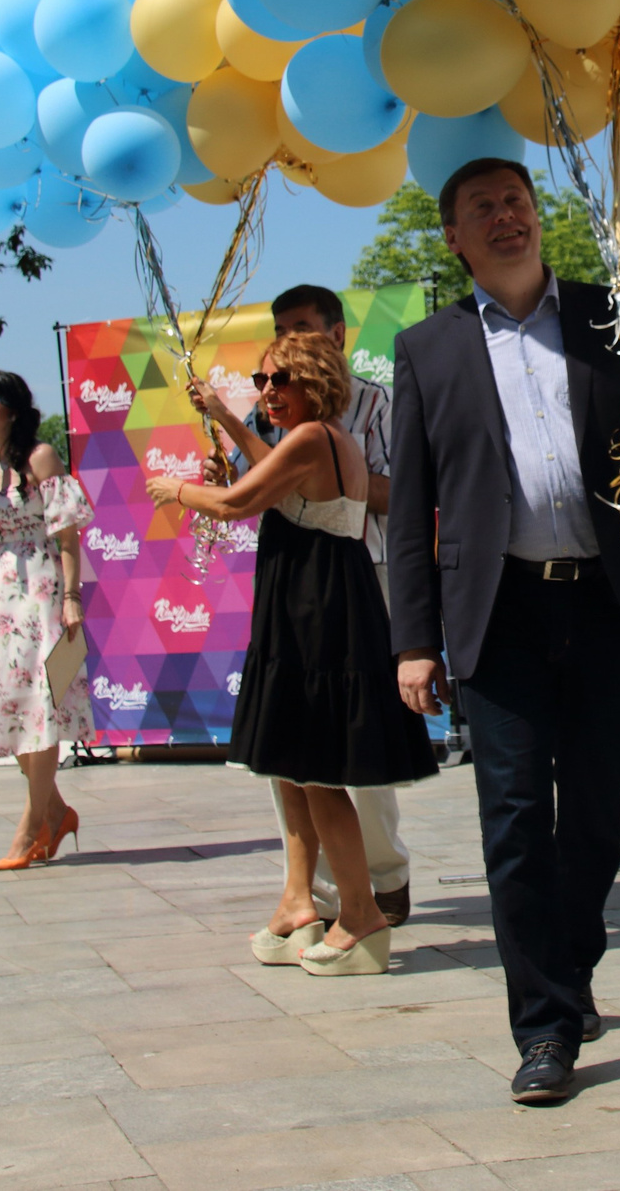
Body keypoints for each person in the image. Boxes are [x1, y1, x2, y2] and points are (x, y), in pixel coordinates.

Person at [387, 156, 620, 1104]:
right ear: (455, 236)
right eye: (482, 208)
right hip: (501, 611)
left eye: (516, 202)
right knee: (517, 818)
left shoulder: (611, 312)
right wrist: (413, 640)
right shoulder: (426, 349)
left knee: (598, 809)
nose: (505, 217)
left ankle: (569, 963)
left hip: (605, 600)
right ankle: (545, 1028)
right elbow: (411, 510)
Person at [152, 330, 436, 976]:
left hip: (317, 610)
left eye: (279, 379)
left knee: (316, 767)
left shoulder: (317, 438)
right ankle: (297, 903)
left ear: (314, 379)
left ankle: (360, 915)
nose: (267, 392)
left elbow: (239, 498)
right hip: (309, 602)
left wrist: (176, 490)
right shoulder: (318, 439)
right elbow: (271, 475)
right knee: (291, 758)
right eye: (260, 381)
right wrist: (226, 417)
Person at [188, 283, 413, 929]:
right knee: (291, 744)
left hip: (361, 572)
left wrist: (317, 475)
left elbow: (399, 492)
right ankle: (310, 894)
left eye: (302, 331)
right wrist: (232, 461)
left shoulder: (378, 404)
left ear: (337, 335)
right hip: (291, 581)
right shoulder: (271, 410)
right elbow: (245, 489)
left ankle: (383, 875)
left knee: (351, 740)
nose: (275, 369)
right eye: (277, 338)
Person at [0, 370, 91, 870]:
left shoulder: (40, 457)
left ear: (11, 406)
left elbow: (68, 537)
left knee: (39, 703)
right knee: (8, 703)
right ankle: (57, 812)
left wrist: (71, 596)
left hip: (42, 586)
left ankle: (29, 829)